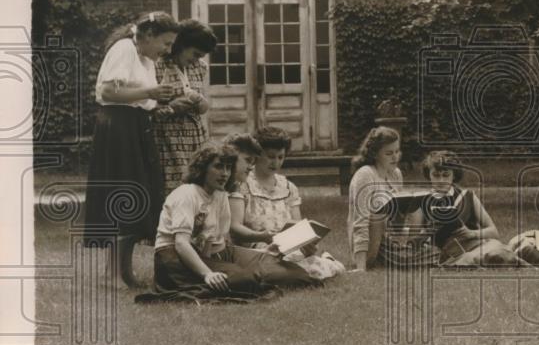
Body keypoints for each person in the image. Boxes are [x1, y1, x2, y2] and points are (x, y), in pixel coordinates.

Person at [135, 142, 321, 303]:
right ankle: (245, 279)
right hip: (174, 258)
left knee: (298, 275)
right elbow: (182, 244)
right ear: (202, 168)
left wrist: (264, 252)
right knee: (247, 279)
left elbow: (216, 244)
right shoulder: (187, 194)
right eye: (218, 167)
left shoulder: (220, 194)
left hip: (211, 254)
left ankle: (256, 276)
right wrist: (207, 273)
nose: (224, 173)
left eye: (228, 168)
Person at [83, 11, 179, 288]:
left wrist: (157, 97)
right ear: (148, 35)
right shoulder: (124, 48)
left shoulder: (145, 56)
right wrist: (150, 94)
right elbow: (109, 93)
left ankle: (124, 271)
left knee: (138, 195)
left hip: (136, 125)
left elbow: (140, 95)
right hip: (118, 127)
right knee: (121, 193)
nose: (167, 50)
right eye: (166, 43)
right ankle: (111, 274)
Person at [229, 126, 344, 279]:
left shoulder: (288, 187)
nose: (275, 162)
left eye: (280, 157)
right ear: (257, 155)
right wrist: (262, 236)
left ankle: (318, 264)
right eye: (270, 156)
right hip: (256, 249)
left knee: (311, 267)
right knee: (277, 271)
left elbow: (298, 226)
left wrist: (306, 244)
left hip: (286, 250)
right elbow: (234, 227)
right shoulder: (243, 184)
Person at [400, 151, 522, 266]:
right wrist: (429, 232)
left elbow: (493, 232)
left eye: (446, 175)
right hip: (448, 251)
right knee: (479, 257)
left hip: (475, 244)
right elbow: (413, 243)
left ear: (454, 176)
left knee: (492, 251)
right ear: (429, 175)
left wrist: (471, 233)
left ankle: (497, 258)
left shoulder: (467, 196)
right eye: (436, 175)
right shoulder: (421, 200)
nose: (441, 180)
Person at [153, 19, 216, 196]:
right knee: (173, 192)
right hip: (168, 139)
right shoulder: (157, 65)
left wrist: (200, 102)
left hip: (196, 138)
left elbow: (204, 108)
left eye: (201, 56)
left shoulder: (200, 67)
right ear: (181, 45)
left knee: (198, 188)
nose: (196, 60)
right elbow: (147, 108)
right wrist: (172, 107)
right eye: (195, 54)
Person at [347, 126, 404, 271]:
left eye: (397, 151)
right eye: (389, 153)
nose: (395, 157)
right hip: (370, 245)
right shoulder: (365, 175)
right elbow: (360, 222)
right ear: (375, 154)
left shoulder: (395, 174)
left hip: (391, 240)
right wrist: (361, 267)